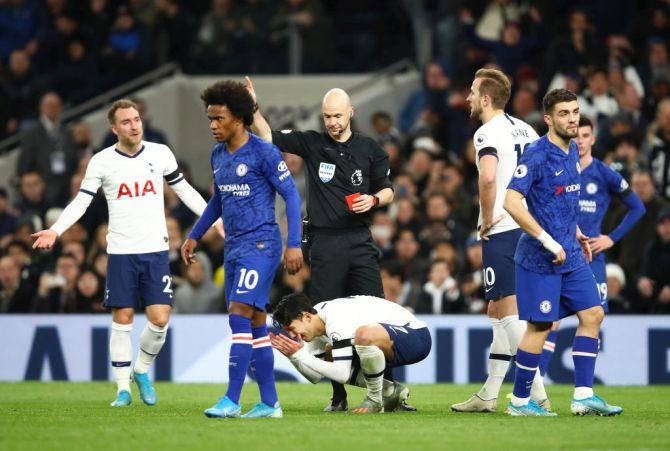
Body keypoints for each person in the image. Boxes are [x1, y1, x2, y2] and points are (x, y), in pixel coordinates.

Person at [31, 99, 222, 408]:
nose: (134, 125)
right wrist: (57, 229)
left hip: (156, 249)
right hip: (121, 251)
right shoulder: (102, 161)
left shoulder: (159, 153)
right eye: (126, 121)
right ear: (114, 128)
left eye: (136, 119)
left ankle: (141, 370)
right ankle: (122, 389)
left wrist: (215, 220)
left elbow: (185, 190)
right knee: (122, 318)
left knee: (160, 318)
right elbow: (81, 201)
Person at [246, 76, 395, 412]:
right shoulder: (313, 144)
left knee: (378, 317)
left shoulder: (370, 149)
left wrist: (373, 200)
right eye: (328, 116)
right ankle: (338, 395)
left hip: (359, 240)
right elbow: (268, 136)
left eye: (338, 116)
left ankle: (390, 392)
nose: (333, 122)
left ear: (351, 113)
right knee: (326, 323)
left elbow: (389, 189)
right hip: (325, 244)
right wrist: (254, 109)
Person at [180, 80, 302, 419]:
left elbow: (291, 195)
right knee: (258, 325)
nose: (213, 126)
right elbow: (217, 201)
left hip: (261, 246)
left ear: (238, 118)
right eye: (210, 119)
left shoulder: (264, 151)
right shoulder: (218, 155)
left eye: (219, 118)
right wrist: (194, 235)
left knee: (238, 315)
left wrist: (293, 244)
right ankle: (270, 403)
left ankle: (231, 399)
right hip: (234, 249)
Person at [503, 88, 623, 416]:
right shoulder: (537, 154)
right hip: (539, 259)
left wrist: (578, 233)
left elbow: (558, 203)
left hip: (570, 252)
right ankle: (519, 402)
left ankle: (583, 396)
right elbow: (511, 202)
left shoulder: (572, 151)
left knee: (593, 315)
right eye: (564, 114)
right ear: (548, 119)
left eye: (574, 112)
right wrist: (549, 241)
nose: (571, 119)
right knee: (541, 328)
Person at [451, 68, 548, 413]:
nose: (468, 98)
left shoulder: (485, 132)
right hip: (530, 225)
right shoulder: (528, 129)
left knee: (507, 309)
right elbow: (545, 175)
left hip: (504, 228)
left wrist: (488, 215)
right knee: (496, 309)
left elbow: (489, 176)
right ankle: (489, 394)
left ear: (487, 99)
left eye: (473, 93)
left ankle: (537, 396)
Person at [538, 117, 645, 376]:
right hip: (560, 254)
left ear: (593, 139)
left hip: (591, 257)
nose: (580, 141)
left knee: (592, 319)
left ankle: (584, 388)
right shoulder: (559, 169)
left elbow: (638, 208)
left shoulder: (604, 173)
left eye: (585, 135)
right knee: (548, 322)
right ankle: (535, 386)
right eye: (575, 136)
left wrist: (612, 238)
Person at [270, 293, 431, 414]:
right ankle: (390, 391)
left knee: (363, 335)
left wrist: (301, 355)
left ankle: (375, 400)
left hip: (416, 337)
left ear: (306, 316)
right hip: (390, 339)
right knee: (330, 352)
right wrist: (294, 356)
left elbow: (341, 373)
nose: (292, 335)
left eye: (291, 328)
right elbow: (315, 376)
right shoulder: (315, 323)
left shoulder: (335, 317)